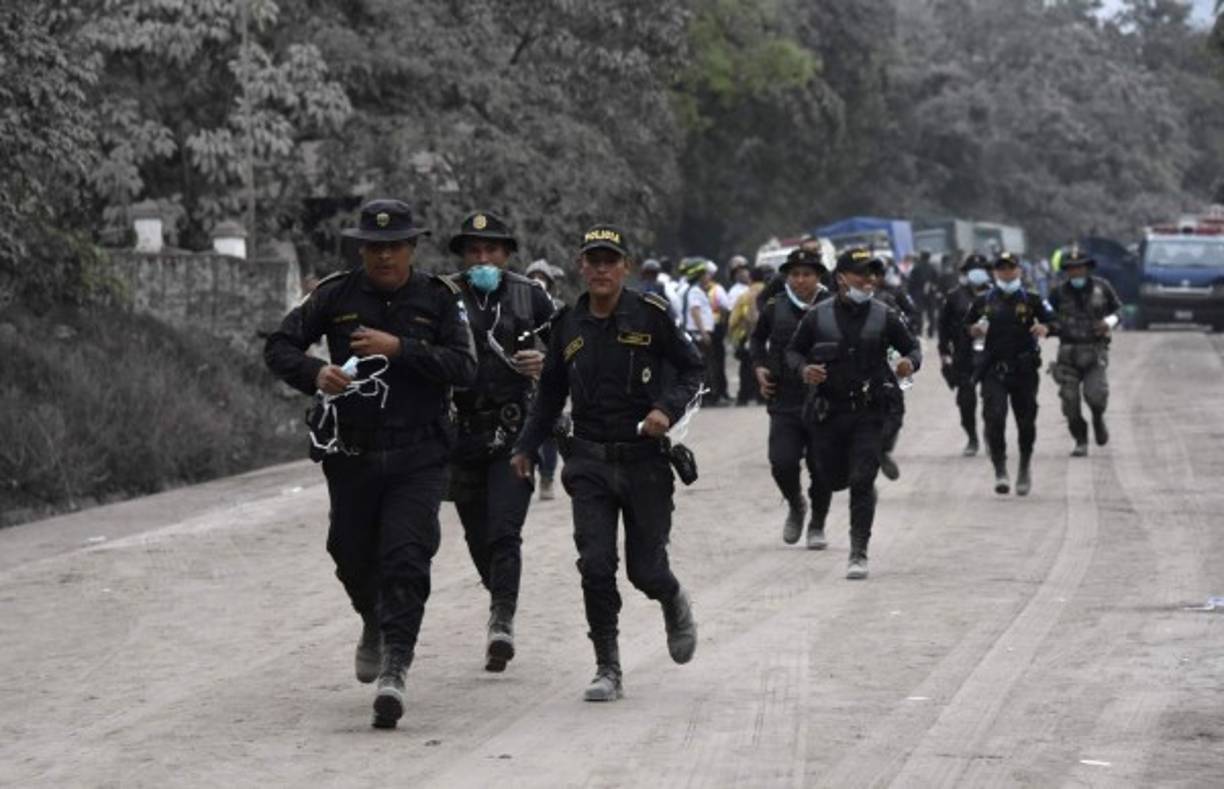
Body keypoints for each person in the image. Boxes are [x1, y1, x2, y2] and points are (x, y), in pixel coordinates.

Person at [264, 198, 477, 729]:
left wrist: (401, 347)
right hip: (352, 452)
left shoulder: (438, 297)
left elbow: (465, 367)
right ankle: (372, 622)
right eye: (374, 248)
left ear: (411, 247)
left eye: (394, 247)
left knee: (407, 557)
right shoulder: (335, 294)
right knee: (349, 551)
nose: (383, 257)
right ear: (362, 249)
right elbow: (279, 346)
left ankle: (395, 669)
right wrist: (316, 372)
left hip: (419, 454)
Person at [509, 223, 704, 702]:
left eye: (609, 260)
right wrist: (526, 447)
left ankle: (672, 598)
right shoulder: (567, 324)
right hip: (590, 462)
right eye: (592, 260)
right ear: (581, 266)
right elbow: (550, 393)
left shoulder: (652, 314)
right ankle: (607, 667)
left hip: (644, 463)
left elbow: (694, 368)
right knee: (595, 566)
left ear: (624, 267)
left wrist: (665, 409)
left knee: (645, 570)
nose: (600, 269)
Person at [444, 211, 555, 674]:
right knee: (476, 534)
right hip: (461, 434)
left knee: (505, 530)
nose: (482, 258)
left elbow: (572, 352)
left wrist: (544, 363)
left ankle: (502, 621)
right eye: (473, 250)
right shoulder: (443, 297)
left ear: (508, 254)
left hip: (515, 433)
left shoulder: (532, 297)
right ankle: (499, 596)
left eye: (491, 250)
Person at [786, 248, 921, 580]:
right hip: (829, 413)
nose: (869, 280)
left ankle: (858, 551)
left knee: (862, 480)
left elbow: (913, 348)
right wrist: (804, 370)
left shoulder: (885, 314)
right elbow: (792, 351)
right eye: (861, 273)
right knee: (828, 477)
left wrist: (909, 364)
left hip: (869, 413)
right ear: (842, 278)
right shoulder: (818, 316)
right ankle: (818, 513)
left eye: (873, 273)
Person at [751, 246, 832, 547]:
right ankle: (796, 504)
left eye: (807, 274)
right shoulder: (776, 306)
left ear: (818, 276)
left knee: (820, 466)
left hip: (825, 400)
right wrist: (759, 368)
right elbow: (757, 340)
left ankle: (817, 525)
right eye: (794, 274)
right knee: (781, 462)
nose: (800, 280)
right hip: (784, 398)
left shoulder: (834, 306)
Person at [965, 252, 1053, 496]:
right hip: (994, 369)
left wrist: (1045, 327)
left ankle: (1024, 466)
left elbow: (1054, 321)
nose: (1006, 273)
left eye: (1010, 268)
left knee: (1026, 422)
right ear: (994, 273)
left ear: (1019, 271)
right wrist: (973, 330)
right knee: (994, 418)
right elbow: (964, 327)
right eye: (1001, 269)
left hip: (1024, 370)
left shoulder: (1032, 299)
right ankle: (1000, 469)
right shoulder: (982, 301)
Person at [1046, 251, 1121, 457]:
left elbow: (1118, 311)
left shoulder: (1102, 287)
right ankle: (1080, 440)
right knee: (1070, 402)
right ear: (1066, 271)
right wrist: (1047, 328)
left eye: (1080, 266)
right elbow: (1046, 316)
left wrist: (1109, 322)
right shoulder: (1058, 292)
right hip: (1068, 353)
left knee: (1096, 397)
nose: (1076, 271)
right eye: (1071, 267)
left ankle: (1098, 418)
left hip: (1094, 351)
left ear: (1087, 268)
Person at [869, 257, 919, 481]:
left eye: (873, 274)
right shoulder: (837, 301)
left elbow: (909, 320)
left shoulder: (891, 297)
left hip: (891, 356)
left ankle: (882, 448)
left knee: (896, 410)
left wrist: (907, 358)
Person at [938, 253, 993, 456]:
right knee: (966, 402)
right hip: (964, 355)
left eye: (981, 269)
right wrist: (944, 353)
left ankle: (990, 435)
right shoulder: (954, 296)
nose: (977, 274)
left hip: (990, 356)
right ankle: (972, 438)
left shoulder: (997, 295)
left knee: (993, 401)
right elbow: (943, 327)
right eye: (972, 270)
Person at [526, 259, 566, 499]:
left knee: (552, 428)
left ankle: (548, 478)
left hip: (549, 376)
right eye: (534, 275)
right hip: (523, 375)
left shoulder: (558, 308)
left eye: (542, 277)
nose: (538, 281)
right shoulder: (514, 307)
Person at [729, 265, 768, 405]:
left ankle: (744, 397)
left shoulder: (744, 296)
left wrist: (732, 335)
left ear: (750, 279)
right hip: (769, 335)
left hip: (749, 336)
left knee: (746, 368)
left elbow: (733, 320)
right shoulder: (771, 292)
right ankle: (763, 396)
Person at [705, 261, 733, 405]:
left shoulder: (717, 289)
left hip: (716, 330)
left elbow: (726, 308)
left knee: (717, 363)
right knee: (709, 364)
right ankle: (711, 394)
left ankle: (720, 392)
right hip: (705, 331)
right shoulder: (696, 290)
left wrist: (724, 326)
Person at [907, 249, 938, 337]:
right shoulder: (932, 268)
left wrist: (910, 293)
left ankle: (919, 331)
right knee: (931, 314)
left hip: (918, 293)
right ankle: (931, 332)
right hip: (930, 294)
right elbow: (936, 281)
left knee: (918, 313)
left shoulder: (916, 268)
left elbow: (911, 282)